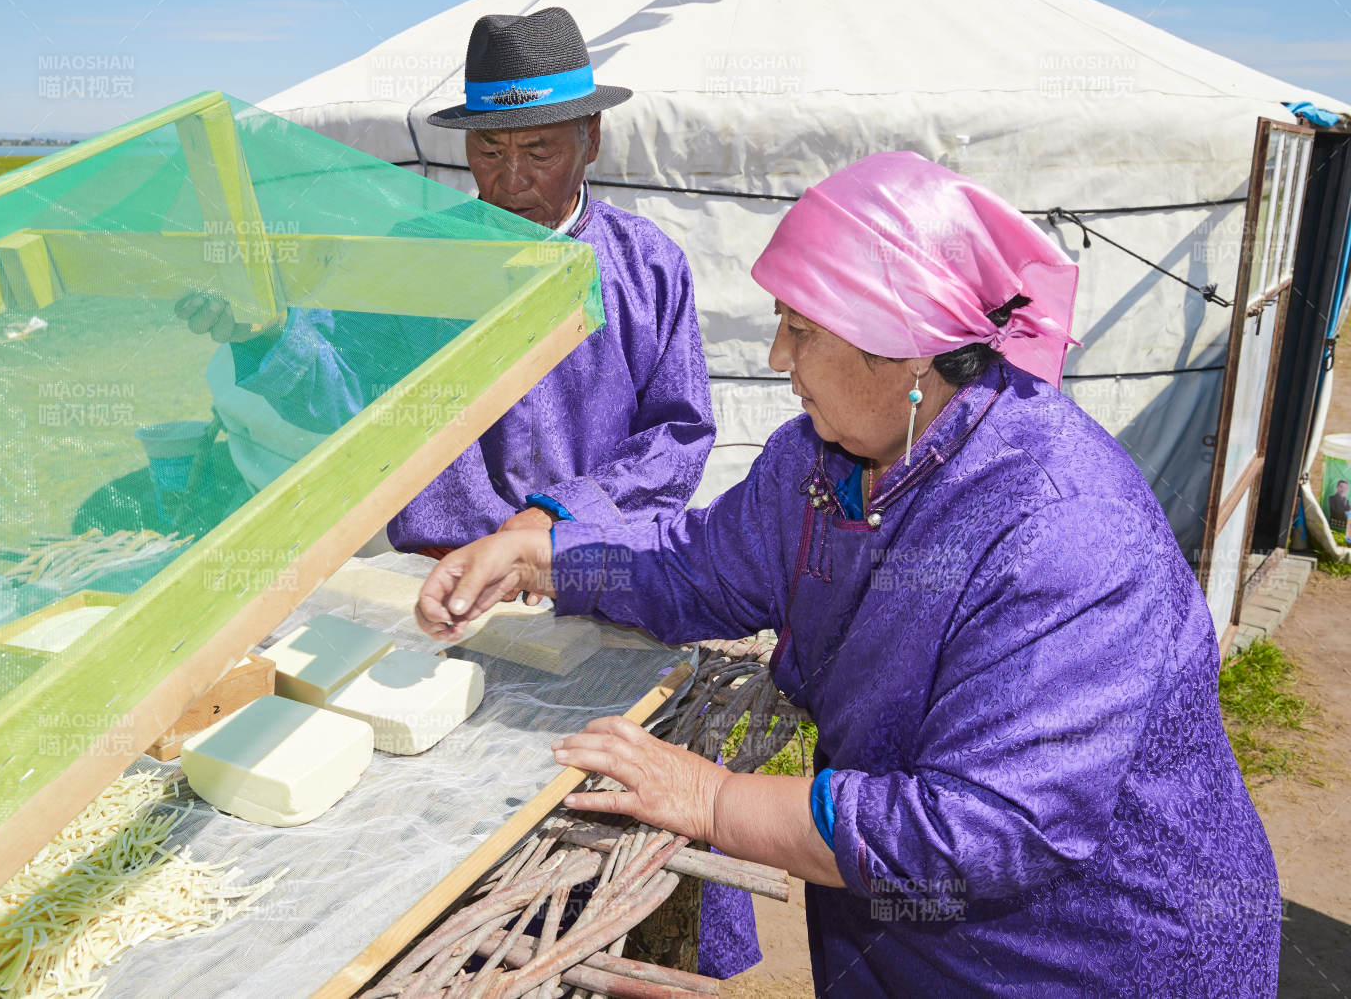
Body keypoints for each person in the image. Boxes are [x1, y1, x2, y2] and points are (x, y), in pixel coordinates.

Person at [415, 151, 1280, 995]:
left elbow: (978, 829)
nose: (774, 358)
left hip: (1094, 956)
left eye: (801, 328)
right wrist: (542, 555)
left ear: (905, 348)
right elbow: (693, 569)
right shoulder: (817, 463)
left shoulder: (1065, 527)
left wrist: (715, 801)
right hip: (903, 949)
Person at [178, 6, 715, 557]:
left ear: (591, 138)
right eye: (488, 149)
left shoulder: (648, 264)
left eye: (538, 151)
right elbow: (344, 397)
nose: (511, 180)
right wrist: (264, 333)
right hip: (441, 567)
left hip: (588, 560)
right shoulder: (419, 255)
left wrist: (563, 514)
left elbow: (679, 435)